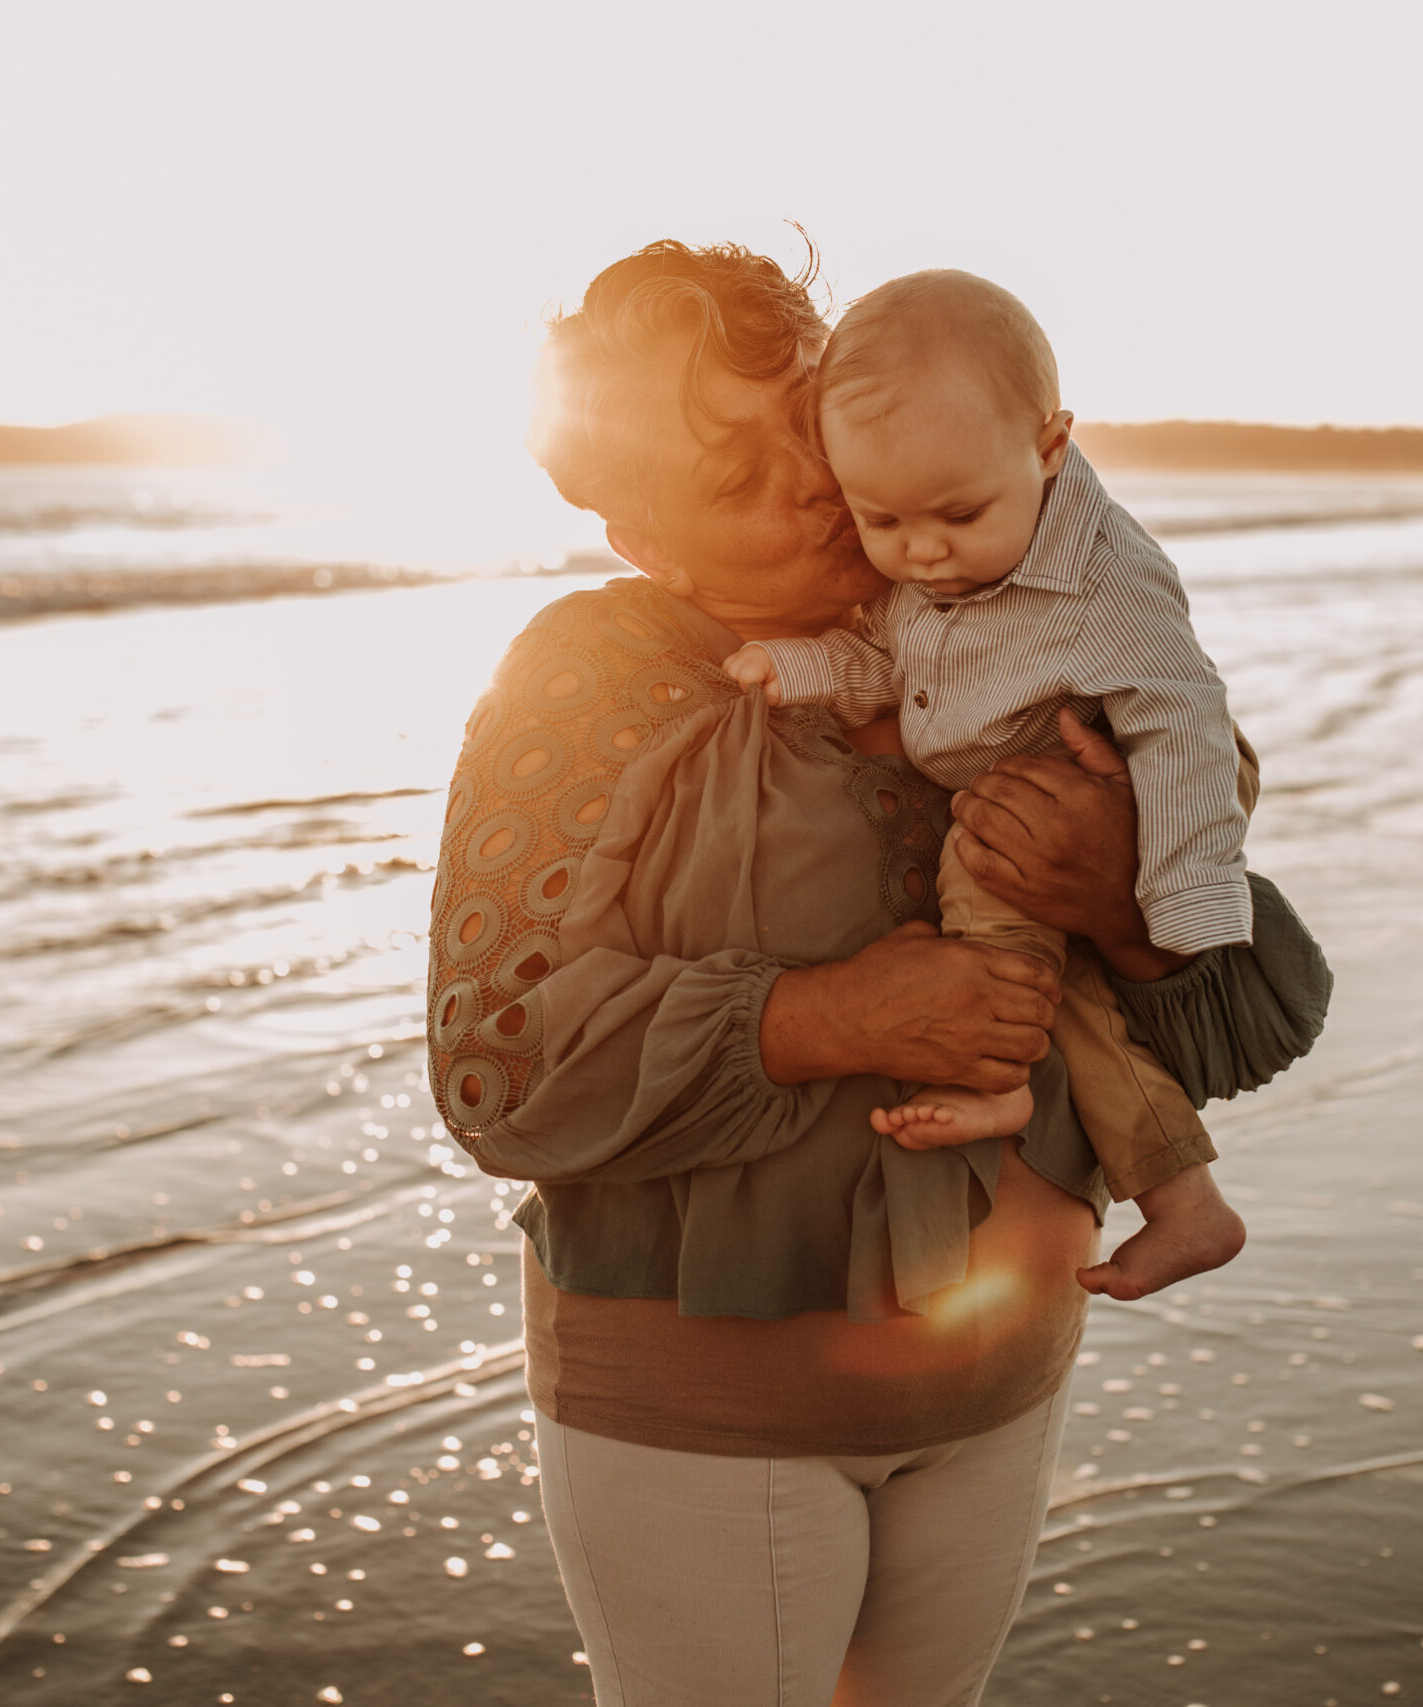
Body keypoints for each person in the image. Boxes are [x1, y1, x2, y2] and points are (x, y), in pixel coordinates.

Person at [426, 240, 1277, 1706]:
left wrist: (1113, 901)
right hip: (707, 1412)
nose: (814, 491)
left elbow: (1236, 996)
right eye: (736, 481)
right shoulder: (589, 673)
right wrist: (827, 1015)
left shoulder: (1024, 628)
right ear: (644, 536)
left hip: (1003, 1377)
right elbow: (496, 1064)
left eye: (802, 430)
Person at [722, 269, 1324, 1299]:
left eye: (955, 515)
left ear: (1049, 447)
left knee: (994, 873)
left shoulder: (1108, 584)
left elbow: (1182, 720)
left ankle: (990, 1074)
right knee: (1084, 1010)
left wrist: (1179, 892)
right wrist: (801, 666)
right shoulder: (930, 551)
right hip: (1024, 794)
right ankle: (1188, 1206)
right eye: (883, 522)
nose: (920, 552)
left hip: (1117, 790)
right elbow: (896, 671)